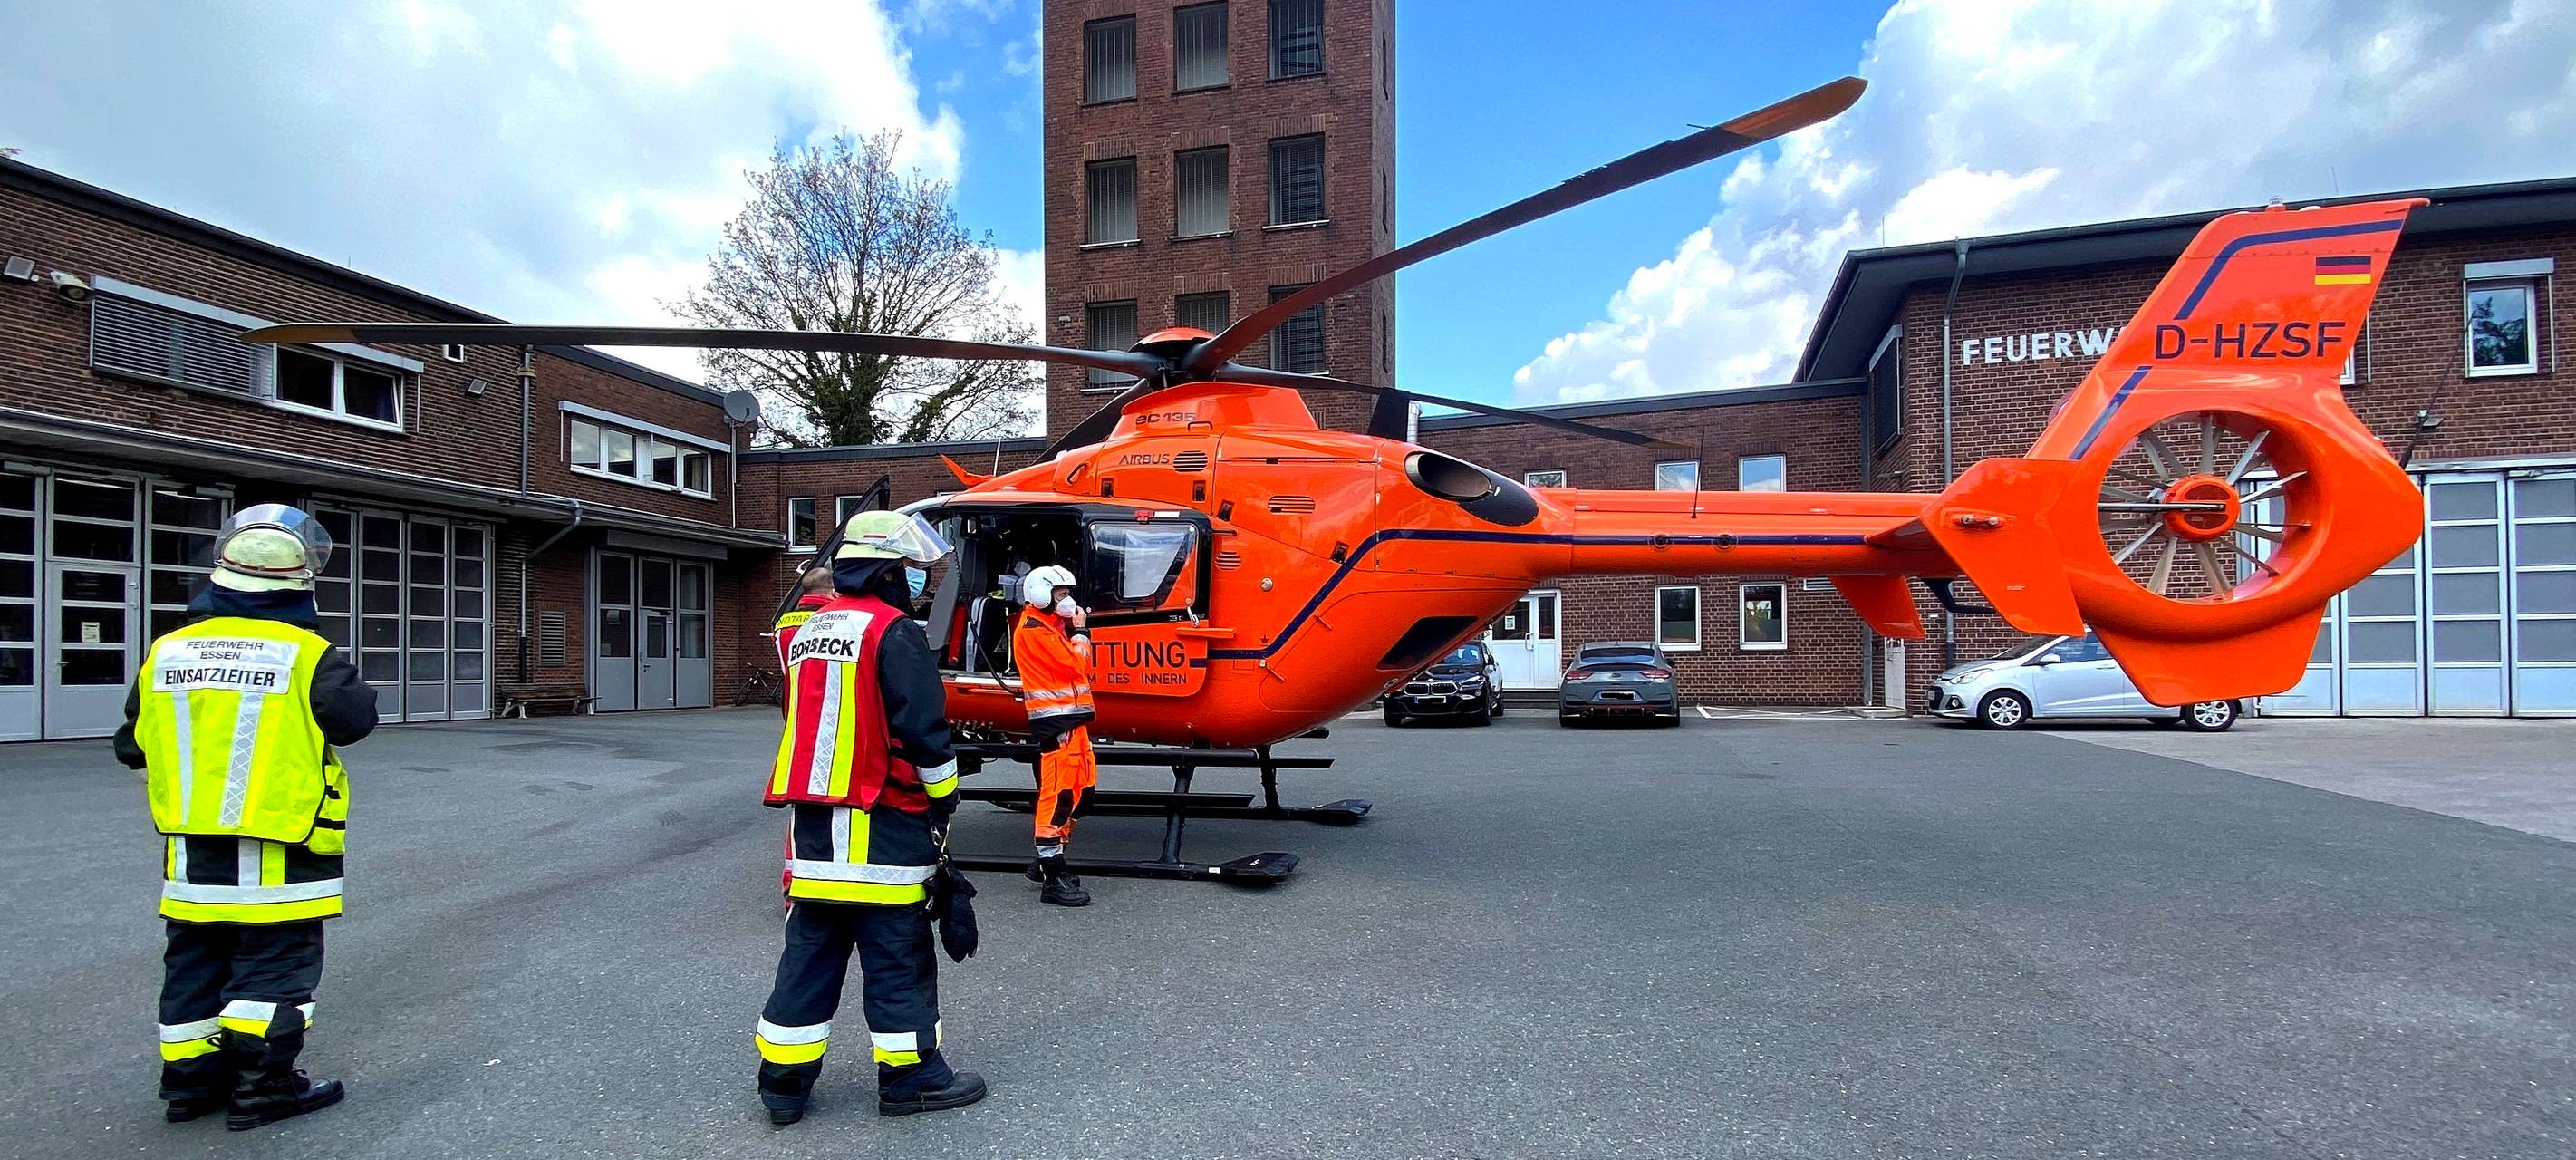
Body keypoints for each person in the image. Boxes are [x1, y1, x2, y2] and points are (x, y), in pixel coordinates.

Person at [112, 504, 379, 1130]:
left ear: (220, 573)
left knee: (195, 958)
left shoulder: (167, 651)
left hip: (190, 847)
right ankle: (263, 1089)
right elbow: (354, 721)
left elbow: (132, 744)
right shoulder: (307, 653)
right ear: (302, 581)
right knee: (274, 961)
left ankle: (190, 1085)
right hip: (282, 840)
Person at [754, 510, 986, 1125]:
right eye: (912, 571)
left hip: (811, 828)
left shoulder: (805, 630)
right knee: (897, 957)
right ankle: (912, 1082)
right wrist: (945, 796)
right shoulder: (894, 632)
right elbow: (924, 732)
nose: (919, 582)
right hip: (880, 822)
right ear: (888, 571)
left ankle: (782, 1086)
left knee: (809, 956)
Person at [1010, 565, 1097, 908]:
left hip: (1072, 724)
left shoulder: (1049, 626)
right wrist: (1082, 633)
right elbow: (1076, 666)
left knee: (1083, 793)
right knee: (1058, 796)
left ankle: (1050, 858)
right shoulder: (1034, 630)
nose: (1068, 601)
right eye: (1061, 594)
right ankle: (1051, 870)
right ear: (1041, 595)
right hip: (1056, 727)